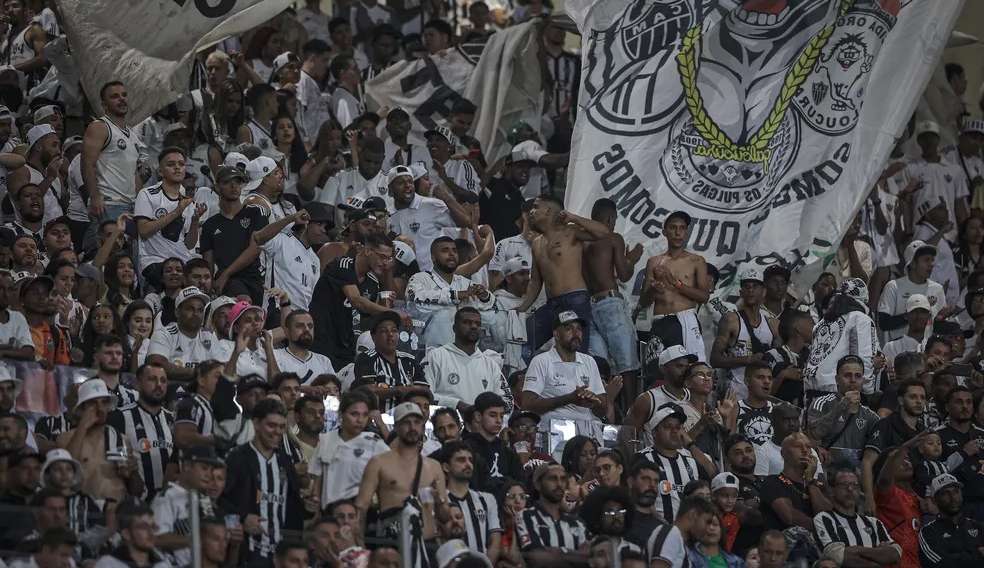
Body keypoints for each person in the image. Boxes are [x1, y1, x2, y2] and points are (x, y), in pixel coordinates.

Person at [516, 194, 611, 350]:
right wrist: (523, 307)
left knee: (576, 350)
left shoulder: (570, 231)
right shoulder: (536, 243)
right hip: (551, 304)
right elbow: (535, 281)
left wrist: (574, 217)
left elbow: (604, 232)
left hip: (575, 300)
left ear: (548, 211)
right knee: (523, 343)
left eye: (535, 207)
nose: (531, 212)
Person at [355, 402, 448, 560]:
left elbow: (444, 515)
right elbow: (361, 508)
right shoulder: (379, 463)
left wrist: (439, 501)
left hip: (427, 544)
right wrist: (360, 545)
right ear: (396, 427)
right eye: (406, 422)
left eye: (417, 422)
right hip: (392, 542)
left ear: (423, 426)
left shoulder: (433, 466)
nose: (413, 427)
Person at [220, 398, 305, 565]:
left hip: (281, 555)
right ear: (256, 424)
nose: (277, 432)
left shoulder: (285, 461)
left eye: (281, 427)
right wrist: (242, 518)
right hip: (247, 553)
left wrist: (308, 506)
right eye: (271, 425)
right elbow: (220, 499)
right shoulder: (237, 458)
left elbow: (293, 504)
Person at [582, 198, 643, 391]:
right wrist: (632, 258)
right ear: (609, 219)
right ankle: (632, 415)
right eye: (614, 220)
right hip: (610, 303)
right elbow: (624, 275)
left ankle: (604, 412)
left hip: (588, 305)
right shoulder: (613, 238)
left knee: (599, 365)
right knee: (627, 364)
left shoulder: (581, 240)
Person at [310, 233, 395, 368]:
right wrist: (392, 313)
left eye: (389, 258)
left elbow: (367, 316)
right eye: (382, 256)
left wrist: (382, 308)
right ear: (367, 251)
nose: (385, 263)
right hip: (322, 340)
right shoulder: (341, 264)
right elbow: (357, 300)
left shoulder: (373, 283)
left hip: (347, 347)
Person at [636, 211, 711, 362]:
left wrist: (675, 283)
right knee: (656, 369)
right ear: (665, 232)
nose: (678, 233)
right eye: (673, 228)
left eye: (682, 228)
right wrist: (653, 289)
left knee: (691, 369)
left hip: (686, 320)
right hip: (659, 321)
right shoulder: (654, 262)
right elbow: (644, 301)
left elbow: (704, 297)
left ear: (686, 232)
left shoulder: (697, 261)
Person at [521, 310, 607, 441]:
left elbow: (603, 410)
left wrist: (594, 400)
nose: (576, 333)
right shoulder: (541, 361)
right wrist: (569, 399)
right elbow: (527, 405)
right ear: (556, 334)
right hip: (554, 433)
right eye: (569, 328)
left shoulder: (589, 361)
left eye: (579, 329)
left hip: (586, 433)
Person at [134, 147, 205, 290]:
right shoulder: (147, 194)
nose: (177, 168)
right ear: (160, 171)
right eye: (171, 164)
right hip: (155, 261)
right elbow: (143, 230)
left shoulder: (188, 202)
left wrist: (195, 221)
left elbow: (190, 244)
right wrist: (177, 211)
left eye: (181, 164)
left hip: (182, 261)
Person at [408, 236, 495, 347]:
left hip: (467, 354)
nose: (451, 254)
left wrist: (485, 297)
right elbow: (414, 297)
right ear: (433, 257)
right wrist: (454, 295)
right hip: (433, 352)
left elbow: (490, 318)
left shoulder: (466, 283)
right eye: (445, 250)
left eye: (454, 250)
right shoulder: (421, 278)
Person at [310, 389, 390, 511]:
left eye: (364, 415)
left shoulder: (374, 442)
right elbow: (317, 479)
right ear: (341, 415)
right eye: (354, 414)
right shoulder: (326, 440)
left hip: (361, 513)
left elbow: (393, 472)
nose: (360, 420)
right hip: (329, 512)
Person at [200, 166, 267, 304]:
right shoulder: (210, 225)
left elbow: (255, 250)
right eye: (227, 182)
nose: (233, 186)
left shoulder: (255, 213)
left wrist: (226, 273)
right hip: (229, 282)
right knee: (244, 303)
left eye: (237, 182)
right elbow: (208, 263)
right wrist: (213, 284)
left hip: (254, 278)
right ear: (217, 187)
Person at [107, 363, 174, 500]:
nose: (159, 385)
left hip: (170, 503)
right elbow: (114, 458)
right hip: (135, 505)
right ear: (138, 384)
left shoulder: (172, 419)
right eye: (152, 379)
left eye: (163, 380)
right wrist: (131, 474)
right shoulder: (119, 417)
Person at [387, 164, 471, 273]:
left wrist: (446, 198)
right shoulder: (387, 214)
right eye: (401, 183)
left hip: (433, 276)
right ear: (390, 190)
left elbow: (465, 222)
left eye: (410, 182)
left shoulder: (430, 205)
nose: (407, 185)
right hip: (404, 277)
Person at [803, 279, 880, 397]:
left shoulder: (821, 322)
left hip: (810, 389)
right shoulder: (860, 319)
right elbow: (863, 358)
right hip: (838, 390)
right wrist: (868, 391)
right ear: (864, 299)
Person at [812, 465, 901, 567]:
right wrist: (877, 555)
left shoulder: (873, 522)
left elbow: (895, 553)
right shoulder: (824, 518)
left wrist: (856, 550)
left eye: (855, 485)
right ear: (832, 490)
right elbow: (837, 555)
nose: (850, 489)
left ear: (859, 490)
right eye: (843, 484)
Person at [711, 267, 779, 399]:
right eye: (747, 287)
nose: (751, 290)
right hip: (735, 394)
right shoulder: (731, 320)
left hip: (761, 395)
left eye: (755, 286)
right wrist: (748, 359)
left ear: (764, 292)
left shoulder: (772, 324)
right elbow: (715, 359)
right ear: (741, 292)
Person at [82, 82, 140, 235]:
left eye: (124, 95)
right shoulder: (99, 127)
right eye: (115, 96)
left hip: (130, 206)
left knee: (127, 257)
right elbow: (87, 164)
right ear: (104, 104)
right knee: (109, 254)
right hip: (108, 204)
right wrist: (94, 196)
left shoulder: (132, 134)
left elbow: (133, 174)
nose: (121, 99)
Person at [423, 307, 508, 412]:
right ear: (454, 328)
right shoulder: (435, 356)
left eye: (477, 324)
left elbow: (503, 401)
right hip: (446, 423)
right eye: (467, 322)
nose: (473, 326)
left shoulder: (491, 365)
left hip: (480, 426)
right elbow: (424, 394)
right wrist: (456, 404)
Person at [151, 445, 224, 566]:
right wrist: (195, 540)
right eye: (204, 468)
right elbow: (156, 538)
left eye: (211, 470)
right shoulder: (167, 497)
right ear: (186, 466)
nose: (209, 475)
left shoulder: (204, 498)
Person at [636, 402, 708, 522]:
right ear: (654, 433)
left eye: (678, 427)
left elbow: (713, 474)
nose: (674, 431)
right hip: (655, 531)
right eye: (668, 427)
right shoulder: (642, 459)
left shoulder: (690, 461)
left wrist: (690, 444)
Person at [861, 379, 926, 513]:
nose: (919, 401)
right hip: (890, 498)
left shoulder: (923, 431)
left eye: (922, 397)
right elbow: (867, 462)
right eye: (913, 397)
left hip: (917, 497)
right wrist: (869, 497)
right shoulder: (886, 425)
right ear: (901, 400)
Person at [805, 355, 880, 465]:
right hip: (827, 470)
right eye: (847, 375)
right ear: (837, 379)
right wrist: (842, 406)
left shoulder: (870, 416)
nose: (853, 380)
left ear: (863, 380)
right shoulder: (821, 403)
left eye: (858, 376)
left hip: (855, 476)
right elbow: (813, 434)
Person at [438, 440, 502, 562]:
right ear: (446, 467)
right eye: (461, 460)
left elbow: (495, 540)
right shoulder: (439, 502)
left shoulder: (488, 499)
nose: (468, 464)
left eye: (470, 460)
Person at [352, 310, 428, 411]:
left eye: (394, 330)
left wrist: (390, 391)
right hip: (376, 419)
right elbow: (367, 391)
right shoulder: (366, 358)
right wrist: (398, 390)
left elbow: (425, 391)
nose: (390, 334)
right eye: (384, 331)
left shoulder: (410, 360)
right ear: (373, 336)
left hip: (408, 419)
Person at [514, 463, 588, 566]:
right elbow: (536, 557)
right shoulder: (525, 516)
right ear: (538, 484)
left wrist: (557, 553)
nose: (559, 484)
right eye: (553, 479)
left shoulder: (577, 522)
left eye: (563, 479)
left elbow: (587, 558)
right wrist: (574, 556)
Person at [758, 433, 831, 531]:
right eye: (797, 446)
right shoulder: (772, 482)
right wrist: (823, 529)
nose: (805, 450)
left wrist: (810, 481)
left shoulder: (816, 485)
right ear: (783, 453)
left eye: (808, 447)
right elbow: (790, 517)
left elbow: (829, 517)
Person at [146, 286, 219, 382]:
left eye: (200, 310)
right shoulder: (164, 333)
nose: (196, 313)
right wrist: (197, 372)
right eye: (190, 309)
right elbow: (157, 364)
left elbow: (219, 368)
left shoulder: (209, 336)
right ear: (177, 312)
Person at [878, 241, 946, 342]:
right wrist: (914, 314)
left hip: (927, 350)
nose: (931, 264)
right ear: (913, 264)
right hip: (899, 350)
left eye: (932, 260)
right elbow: (884, 323)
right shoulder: (893, 286)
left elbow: (940, 322)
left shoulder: (937, 289)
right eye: (926, 260)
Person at [461, 392, 523, 494]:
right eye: (493, 415)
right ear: (478, 416)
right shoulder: (466, 448)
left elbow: (520, 482)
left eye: (501, 416)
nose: (499, 421)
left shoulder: (507, 451)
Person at [917, 473, 984, 566]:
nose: (953, 498)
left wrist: (956, 556)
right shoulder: (928, 532)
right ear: (934, 500)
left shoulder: (977, 526)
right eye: (945, 493)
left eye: (956, 491)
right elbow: (941, 564)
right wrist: (978, 554)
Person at [93, 502, 170, 568]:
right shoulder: (108, 565)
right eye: (143, 527)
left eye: (153, 526)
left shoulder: (163, 564)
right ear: (126, 534)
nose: (151, 533)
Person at [646, 496, 716, 568]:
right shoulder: (672, 533)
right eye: (707, 522)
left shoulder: (681, 542)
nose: (708, 528)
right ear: (693, 515)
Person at [272, 309, 336, 385]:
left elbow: (333, 394)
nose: (307, 329)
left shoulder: (324, 361)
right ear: (287, 331)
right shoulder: (275, 356)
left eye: (310, 326)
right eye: (300, 326)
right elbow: (275, 388)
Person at [91, 334, 139, 409]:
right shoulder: (87, 392)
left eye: (119, 353)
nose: (114, 357)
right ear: (96, 357)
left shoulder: (133, 396)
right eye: (108, 353)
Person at [882, 293, 932, 364]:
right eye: (914, 312)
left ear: (929, 316)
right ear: (906, 316)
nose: (918, 316)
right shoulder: (891, 347)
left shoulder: (935, 346)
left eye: (923, 312)